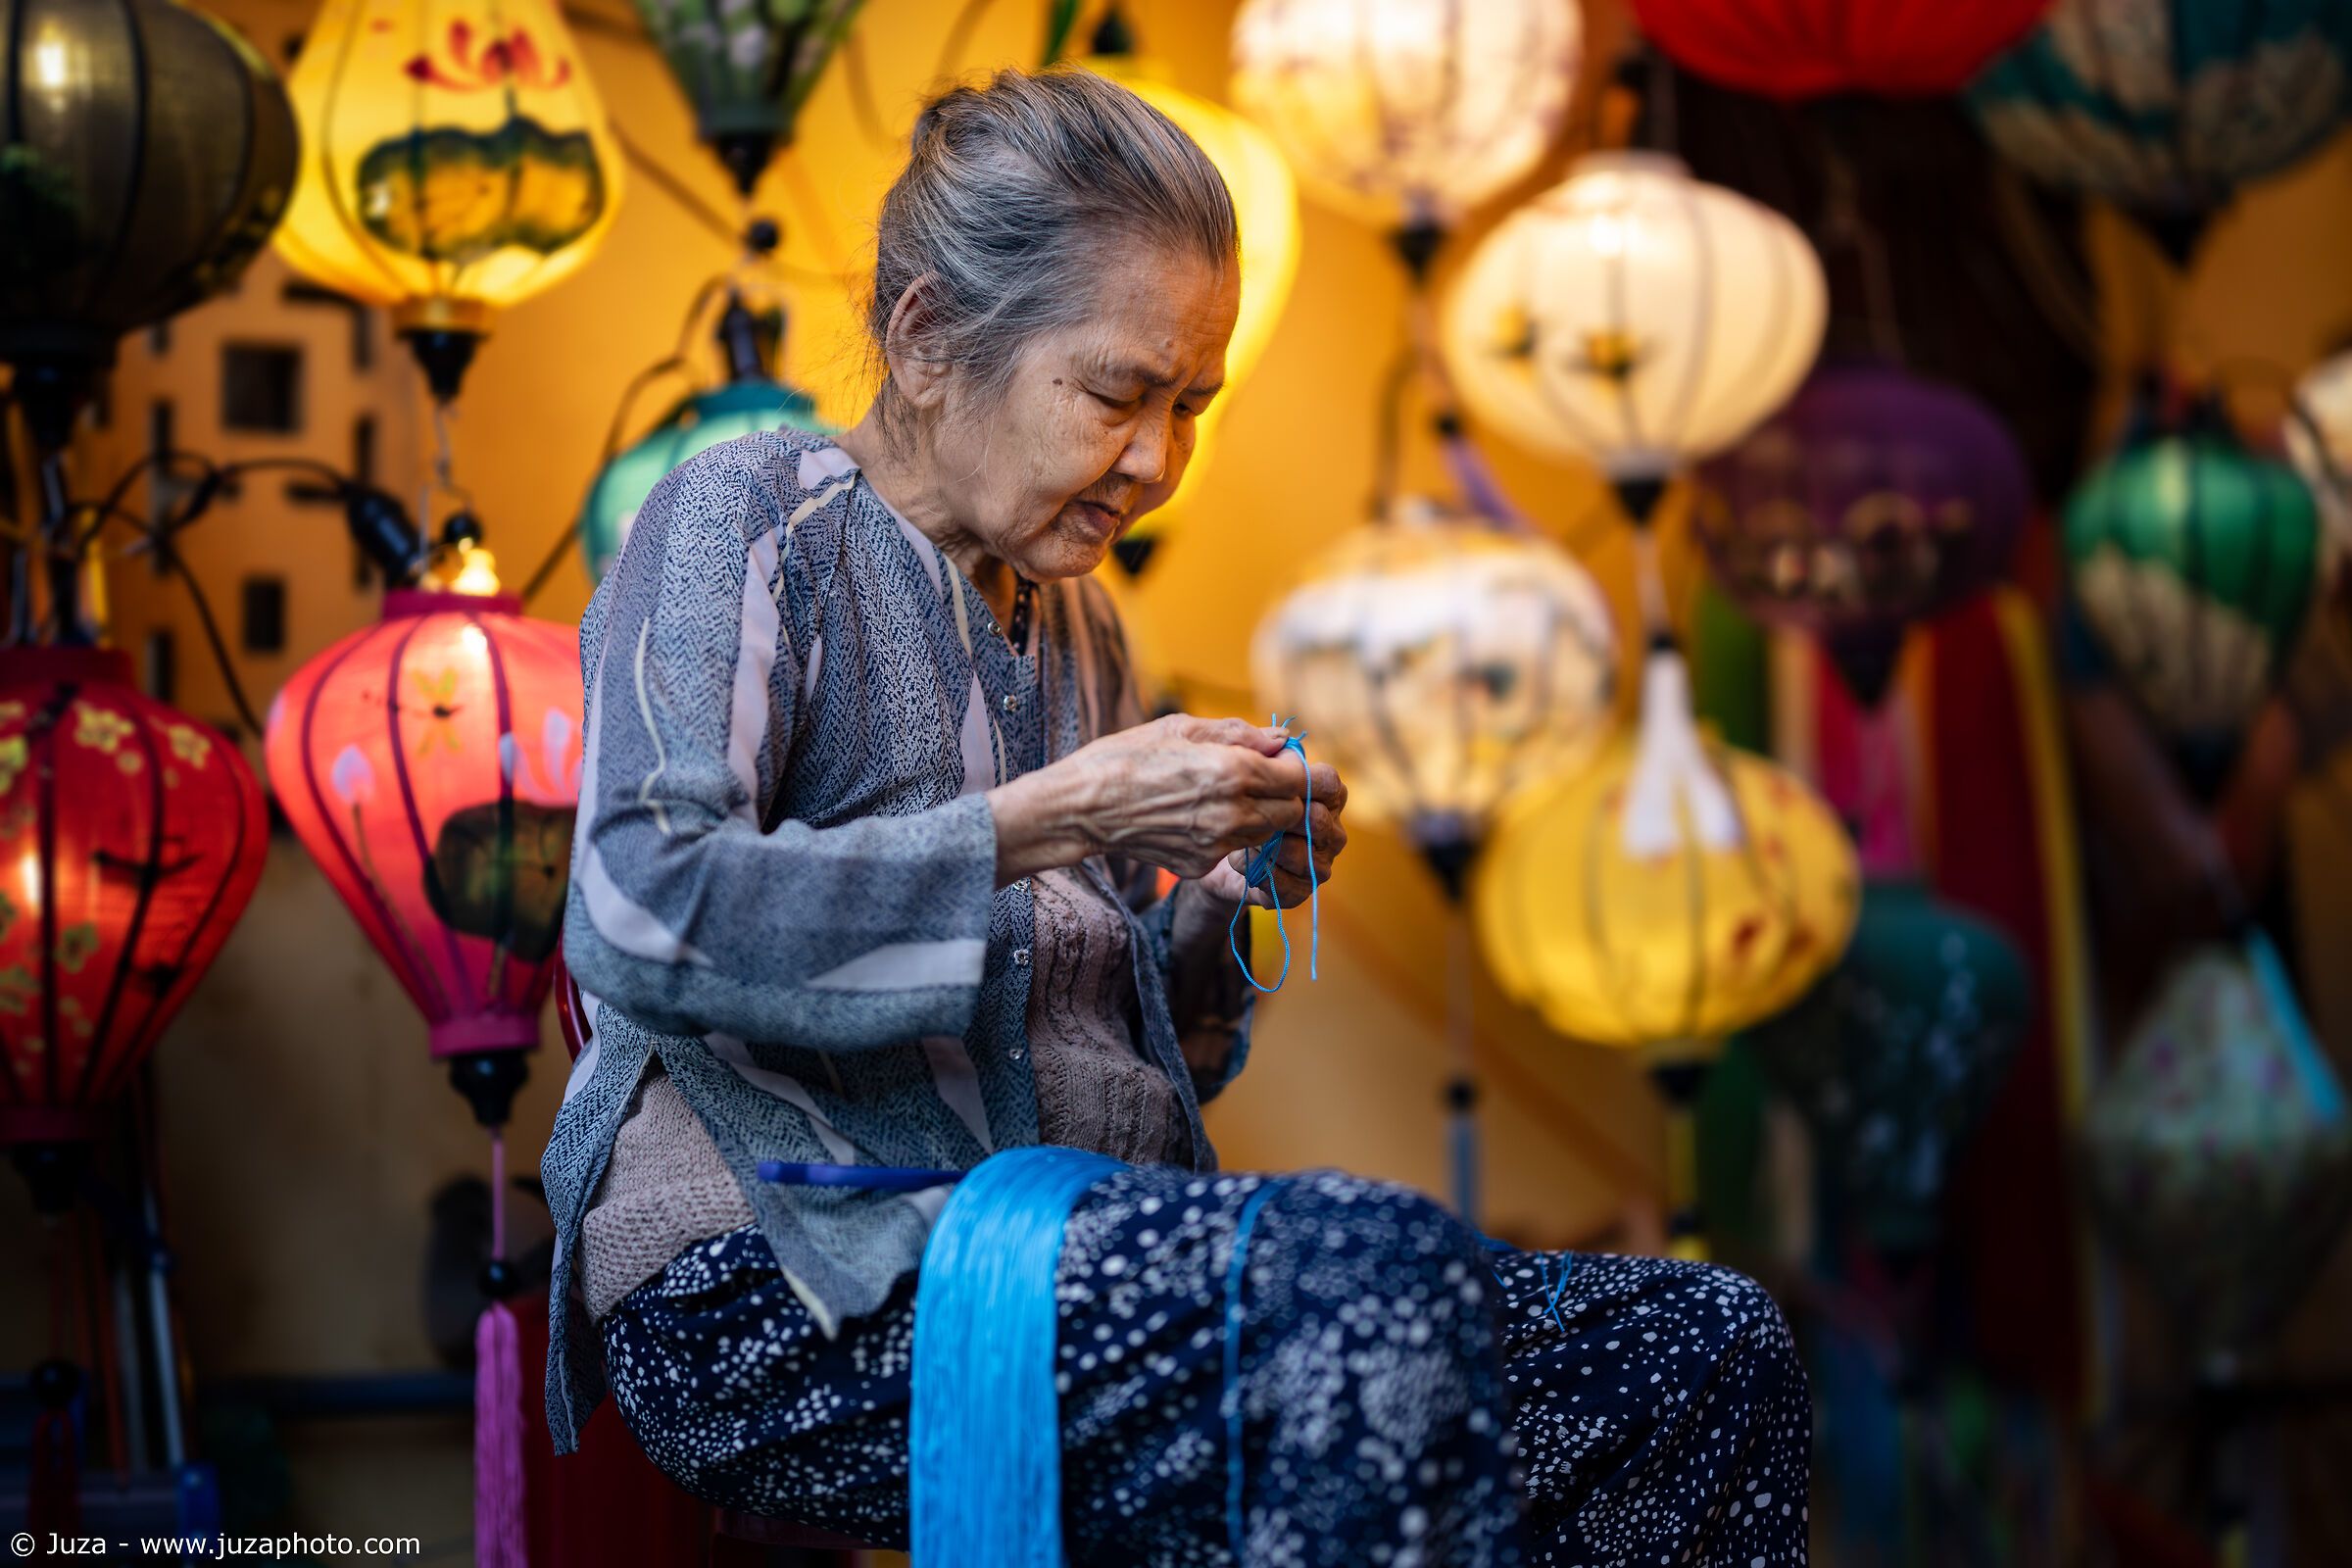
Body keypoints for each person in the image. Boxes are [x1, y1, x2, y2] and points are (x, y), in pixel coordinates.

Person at [544, 66, 1809, 1567]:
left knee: (1699, 1343)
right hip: (786, 1274)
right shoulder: (749, 519)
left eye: (1190, 407)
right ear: (929, 338)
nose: (1156, 461)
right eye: (1117, 395)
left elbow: (1138, 1059)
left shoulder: (1081, 623)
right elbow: (637, 907)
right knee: (1366, 1284)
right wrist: (1054, 818)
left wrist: (1215, 899)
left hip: (1072, 1253)